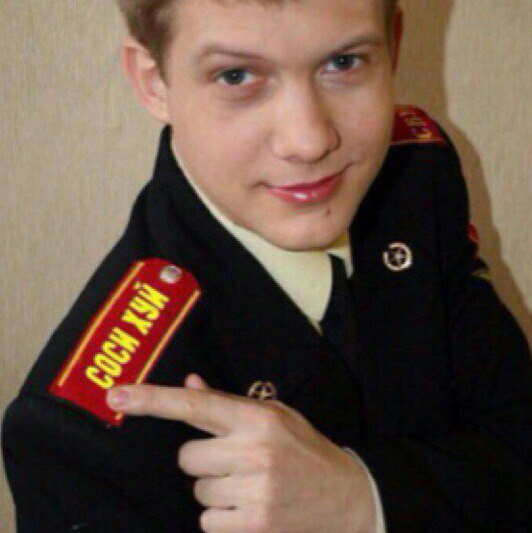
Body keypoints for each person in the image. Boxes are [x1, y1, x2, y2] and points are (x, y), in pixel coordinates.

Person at [2, 0, 531, 531]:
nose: (309, 141)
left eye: (344, 62)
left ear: (391, 45)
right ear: (154, 81)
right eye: (236, 75)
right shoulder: (82, 432)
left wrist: (368, 500)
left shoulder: (416, 176)